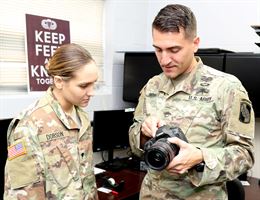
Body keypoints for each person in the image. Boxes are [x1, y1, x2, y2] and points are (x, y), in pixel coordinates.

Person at [129, 4, 255, 200]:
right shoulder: (152, 85)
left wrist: (200, 157)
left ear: (195, 43)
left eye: (174, 49)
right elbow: (134, 141)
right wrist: (143, 134)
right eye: (158, 49)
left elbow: (245, 155)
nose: (164, 60)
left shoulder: (226, 88)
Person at [4, 43, 99, 199]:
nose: (92, 92)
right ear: (59, 81)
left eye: (94, 83)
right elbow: (22, 194)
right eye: (84, 86)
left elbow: (87, 179)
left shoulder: (81, 116)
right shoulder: (28, 126)